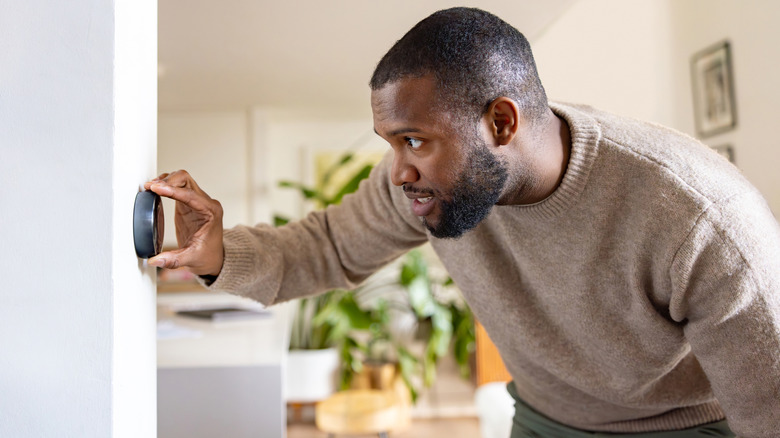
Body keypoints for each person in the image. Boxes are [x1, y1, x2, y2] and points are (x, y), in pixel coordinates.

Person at [146, 8, 780, 438]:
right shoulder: (421, 183)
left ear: (501, 123)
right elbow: (329, 246)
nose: (398, 172)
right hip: (543, 418)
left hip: (686, 427)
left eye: (414, 140)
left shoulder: (699, 217)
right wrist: (217, 253)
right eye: (390, 142)